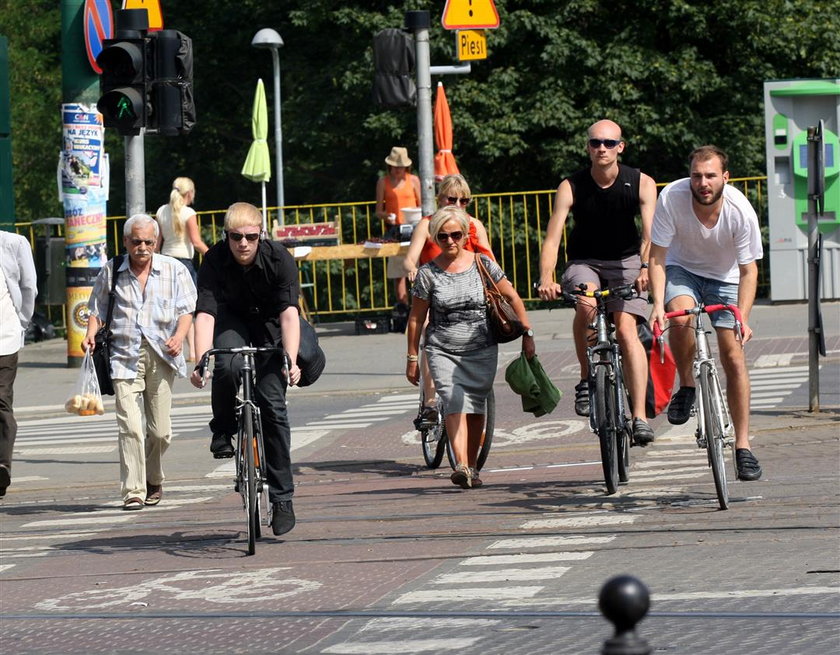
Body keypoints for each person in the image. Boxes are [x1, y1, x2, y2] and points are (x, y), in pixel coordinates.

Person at [538, 119, 657, 446]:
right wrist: (545, 277)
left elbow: (651, 233)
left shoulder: (641, 182)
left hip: (628, 261)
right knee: (586, 306)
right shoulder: (571, 185)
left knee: (627, 328)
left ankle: (639, 417)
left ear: (621, 147)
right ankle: (587, 379)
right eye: (595, 143)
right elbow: (552, 238)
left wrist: (645, 267)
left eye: (608, 143)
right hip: (584, 262)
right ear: (587, 147)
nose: (601, 148)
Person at [649, 145, 763, 481]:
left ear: (725, 177)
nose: (703, 182)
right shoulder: (672, 197)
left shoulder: (740, 210)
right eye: (697, 175)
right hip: (682, 269)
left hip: (726, 277)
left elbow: (749, 271)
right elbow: (657, 257)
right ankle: (687, 384)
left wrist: (742, 316)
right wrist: (657, 303)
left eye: (711, 175)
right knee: (680, 318)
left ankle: (743, 446)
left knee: (733, 355)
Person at [190, 202, 302, 536]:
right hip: (232, 321)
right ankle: (223, 429)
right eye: (236, 237)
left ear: (260, 235)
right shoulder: (213, 260)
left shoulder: (279, 259)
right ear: (226, 236)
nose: (243, 244)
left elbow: (289, 314)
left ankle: (282, 499)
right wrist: (199, 360)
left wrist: (291, 360)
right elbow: (205, 314)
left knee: (274, 409)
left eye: (250, 237)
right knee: (226, 362)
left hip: (270, 325)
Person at [406, 206, 535, 489]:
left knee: (476, 407)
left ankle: (473, 466)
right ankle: (461, 464)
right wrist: (413, 357)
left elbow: (512, 296)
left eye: (455, 235)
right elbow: (415, 319)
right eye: (442, 236)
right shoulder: (428, 274)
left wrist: (528, 333)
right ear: (435, 239)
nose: (450, 241)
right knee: (453, 401)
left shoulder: (483, 264)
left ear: (465, 235)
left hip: (481, 347)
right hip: (442, 349)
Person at [83, 215, 196, 510]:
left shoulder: (174, 270)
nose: (142, 247)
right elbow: (97, 309)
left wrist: (179, 337)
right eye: (136, 242)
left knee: (160, 431)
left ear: (156, 242)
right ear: (126, 242)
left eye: (148, 242)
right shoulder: (112, 271)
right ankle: (133, 489)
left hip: (162, 354)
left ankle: (153, 477)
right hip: (123, 354)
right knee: (130, 427)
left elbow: (186, 310)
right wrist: (90, 334)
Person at [403, 174, 494, 424]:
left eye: (464, 200)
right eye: (451, 198)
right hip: (436, 293)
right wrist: (412, 268)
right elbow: (410, 257)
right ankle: (430, 404)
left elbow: (490, 260)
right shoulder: (428, 224)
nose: (458, 205)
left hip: (468, 293)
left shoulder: (474, 226)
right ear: (440, 198)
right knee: (427, 331)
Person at [155, 177, 209, 361]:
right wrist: (214, 256)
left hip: (165, 260)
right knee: (189, 308)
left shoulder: (162, 211)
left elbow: (157, 243)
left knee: (175, 310)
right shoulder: (189, 213)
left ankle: (188, 350)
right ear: (189, 193)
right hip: (184, 263)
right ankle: (194, 351)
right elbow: (196, 242)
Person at [0, 231, 37, 498]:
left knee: (1, 401)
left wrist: (21, 322)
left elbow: (28, 286)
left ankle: (2, 465)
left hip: (4, 337)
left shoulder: (12, 243)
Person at [375, 146, 422, 308]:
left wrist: (415, 215)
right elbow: (378, 211)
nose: (397, 170)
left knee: (417, 269)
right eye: (395, 166)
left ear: (406, 167)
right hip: (394, 229)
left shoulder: (414, 180)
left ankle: (419, 305)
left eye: (400, 167)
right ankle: (404, 307)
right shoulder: (383, 182)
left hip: (414, 228)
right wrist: (386, 216)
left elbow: (422, 206)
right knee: (398, 273)